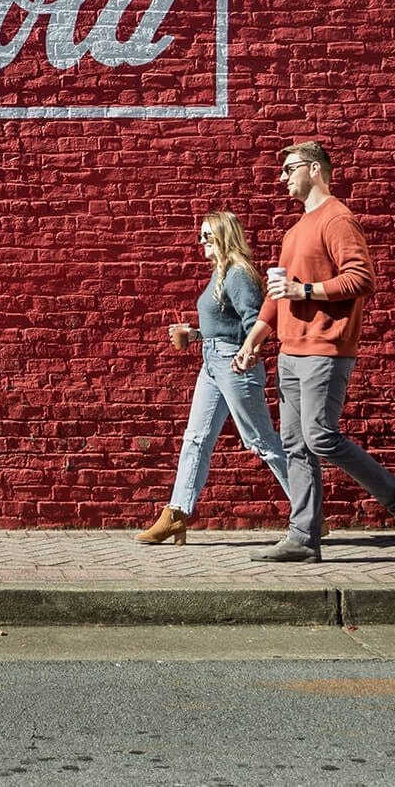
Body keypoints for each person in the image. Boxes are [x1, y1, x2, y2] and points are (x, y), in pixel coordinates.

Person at [234, 141, 395, 564]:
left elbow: (361, 278)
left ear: (314, 170)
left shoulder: (338, 219)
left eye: (289, 169)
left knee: (320, 436)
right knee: (295, 445)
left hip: (326, 347)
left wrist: (305, 290)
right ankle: (303, 537)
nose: (282, 177)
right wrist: (255, 339)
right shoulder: (294, 230)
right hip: (290, 350)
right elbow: (277, 293)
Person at [135, 211, 298, 545]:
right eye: (200, 236)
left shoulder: (238, 274)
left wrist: (247, 353)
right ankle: (176, 514)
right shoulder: (220, 273)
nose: (202, 242)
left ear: (226, 235)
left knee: (262, 442)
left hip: (235, 364)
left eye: (208, 235)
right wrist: (195, 335)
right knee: (195, 439)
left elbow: (255, 322)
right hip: (212, 362)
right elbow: (226, 322)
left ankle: (309, 512)